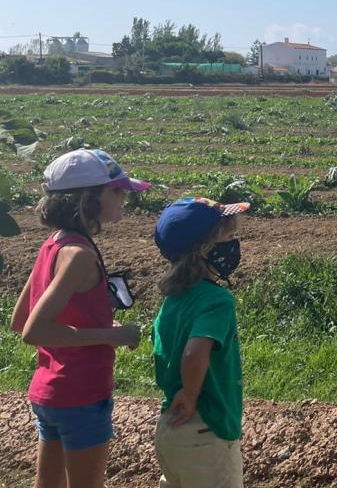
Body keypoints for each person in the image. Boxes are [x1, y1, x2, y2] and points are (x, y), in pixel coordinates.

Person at [8, 149, 149, 488]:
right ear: (89, 199)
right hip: (81, 393)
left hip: (48, 392)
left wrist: (99, 330)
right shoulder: (80, 255)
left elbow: (19, 319)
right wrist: (110, 336)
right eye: (116, 190)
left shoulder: (53, 245)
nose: (124, 197)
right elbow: (33, 330)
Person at [151, 196, 250, 488]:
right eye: (228, 237)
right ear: (203, 249)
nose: (233, 245)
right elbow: (194, 352)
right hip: (206, 429)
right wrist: (191, 393)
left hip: (171, 429)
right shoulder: (217, 300)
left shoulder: (172, 300)